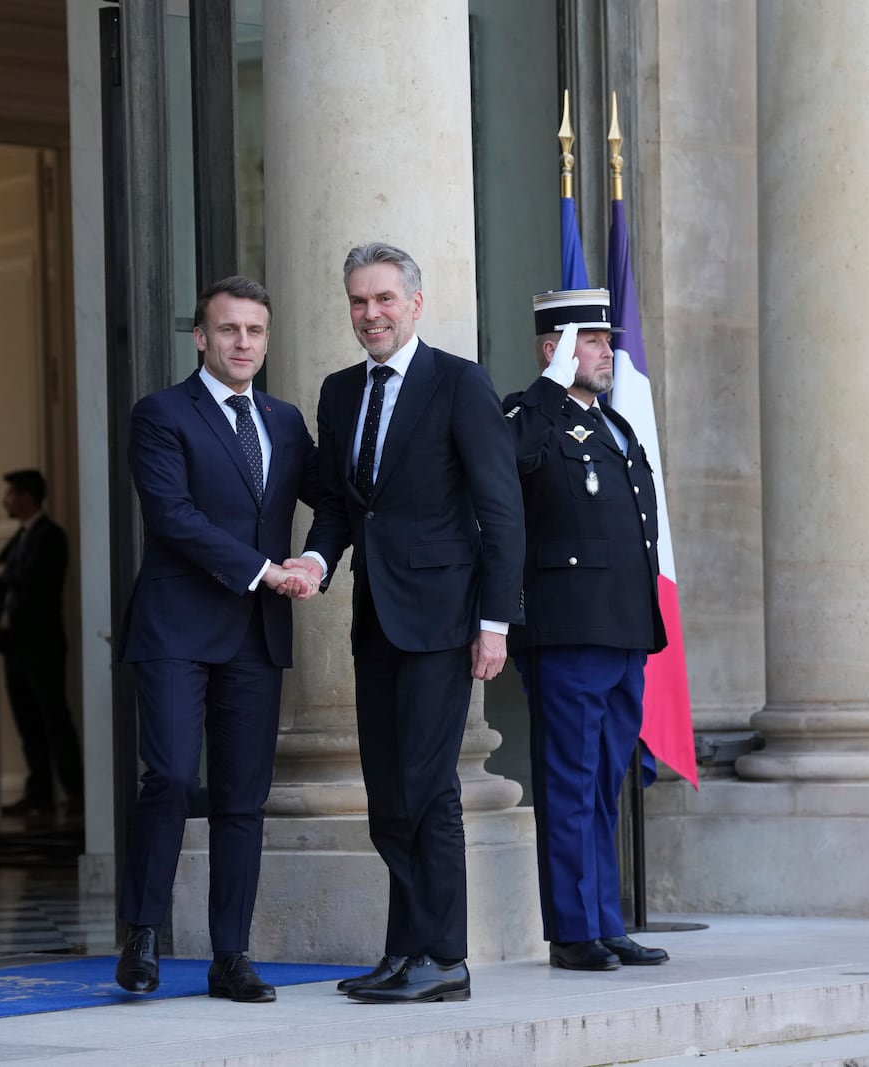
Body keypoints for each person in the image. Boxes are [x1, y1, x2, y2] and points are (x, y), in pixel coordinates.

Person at [290, 242, 524, 1004]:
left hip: (444, 620)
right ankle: (404, 951)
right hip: (375, 620)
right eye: (359, 301)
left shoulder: (459, 383)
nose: (371, 314)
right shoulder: (338, 392)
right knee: (389, 793)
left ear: (415, 304)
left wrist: (494, 621)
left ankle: (445, 958)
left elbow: (500, 510)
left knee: (428, 790)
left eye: (385, 299)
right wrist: (318, 562)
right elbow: (336, 503)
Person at [115, 275, 322, 1003]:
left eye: (255, 331)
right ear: (200, 336)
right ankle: (141, 933)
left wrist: (317, 557)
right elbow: (171, 515)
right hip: (177, 626)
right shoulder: (161, 414)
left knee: (243, 798)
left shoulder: (287, 421)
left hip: (255, 637)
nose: (242, 343)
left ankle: (231, 954)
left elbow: (331, 501)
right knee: (169, 777)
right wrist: (266, 569)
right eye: (228, 329)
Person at [501, 289, 671, 971]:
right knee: (569, 782)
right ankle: (572, 929)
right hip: (567, 632)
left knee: (604, 783)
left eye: (606, 340)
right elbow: (505, 463)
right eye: (592, 341)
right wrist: (545, 388)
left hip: (624, 628)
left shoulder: (615, 426)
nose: (608, 352)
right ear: (555, 349)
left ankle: (605, 917)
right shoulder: (528, 415)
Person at [0, 468, 85, 819]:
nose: (6, 501)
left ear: (27, 496)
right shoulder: (20, 537)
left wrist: (4, 577)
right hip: (16, 645)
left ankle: (75, 793)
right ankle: (40, 793)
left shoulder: (50, 536)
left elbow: (34, 581)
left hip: (42, 645)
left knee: (53, 719)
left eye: (11, 494)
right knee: (28, 722)